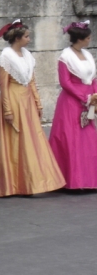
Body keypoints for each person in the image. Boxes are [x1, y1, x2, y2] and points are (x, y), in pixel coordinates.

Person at [0, 20, 65, 196]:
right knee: (17, 142)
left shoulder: (27, 55)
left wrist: (38, 103)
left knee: (34, 139)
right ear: (17, 38)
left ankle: (33, 181)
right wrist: (7, 110)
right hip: (14, 99)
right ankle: (17, 183)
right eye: (26, 36)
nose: (29, 39)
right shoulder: (6, 56)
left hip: (27, 102)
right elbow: (3, 86)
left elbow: (32, 81)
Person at [49, 21, 97, 189]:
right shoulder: (66, 57)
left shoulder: (88, 55)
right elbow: (65, 82)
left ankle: (89, 180)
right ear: (80, 39)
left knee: (88, 140)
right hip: (71, 102)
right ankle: (72, 181)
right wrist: (84, 96)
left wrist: (95, 96)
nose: (90, 40)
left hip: (89, 99)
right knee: (72, 139)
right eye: (88, 38)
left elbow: (93, 77)